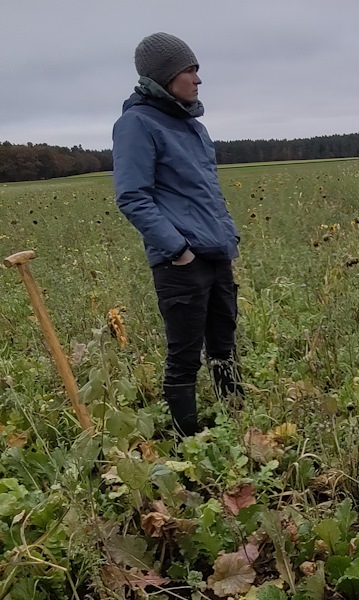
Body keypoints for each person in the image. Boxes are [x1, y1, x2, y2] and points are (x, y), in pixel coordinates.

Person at [112, 32, 242, 436]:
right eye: (189, 70)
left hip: (217, 253)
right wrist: (178, 249)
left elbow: (206, 191)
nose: (198, 79)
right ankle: (190, 443)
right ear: (165, 76)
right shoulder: (136, 124)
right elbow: (132, 196)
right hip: (180, 262)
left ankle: (237, 422)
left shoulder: (193, 126)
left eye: (197, 69)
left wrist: (229, 236)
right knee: (184, 355)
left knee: (224, 343)